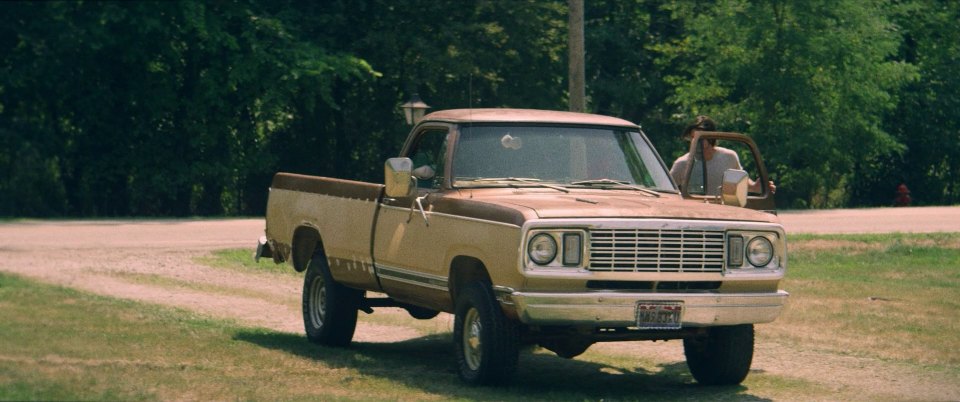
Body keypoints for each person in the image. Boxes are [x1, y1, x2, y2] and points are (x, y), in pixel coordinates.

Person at [670, 115, 775, 196]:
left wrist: (756, 187)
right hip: (694, 215)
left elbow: (740, 182)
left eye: (701, 137)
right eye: (693, 137)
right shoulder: (682, 163)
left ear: (712, 136)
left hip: (724, 213)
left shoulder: (729, 157)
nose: (696, 141)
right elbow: (667, 192)